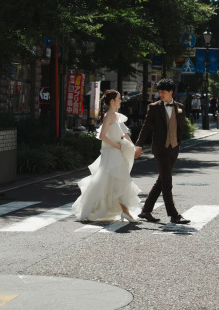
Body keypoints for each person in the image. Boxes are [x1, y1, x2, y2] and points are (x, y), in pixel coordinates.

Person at [72, 90, 142, 222]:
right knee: (118, 182)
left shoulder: (117, 116)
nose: (121, 101)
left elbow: (125, 134)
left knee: (112, 183)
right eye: (119, 99)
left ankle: (122, 211)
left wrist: (133, 148)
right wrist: (117, 146)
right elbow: (102, 136)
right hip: (111, 153)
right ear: (112, 101)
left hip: (117, 152)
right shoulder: (108, 117)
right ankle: (125, 212)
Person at [135, 78, 191, 225]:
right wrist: (138, 145)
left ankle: (146, 210)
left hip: (174, 148)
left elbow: (180, 127)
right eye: (159, 92)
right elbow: (145, 127)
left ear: (171, 92)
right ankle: (174, 215)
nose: (160, 94)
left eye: (163, 92)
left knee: (161, 181)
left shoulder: (180, 107)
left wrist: (178, 143)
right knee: (167, 182)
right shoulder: (154, 107)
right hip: (160, 149)